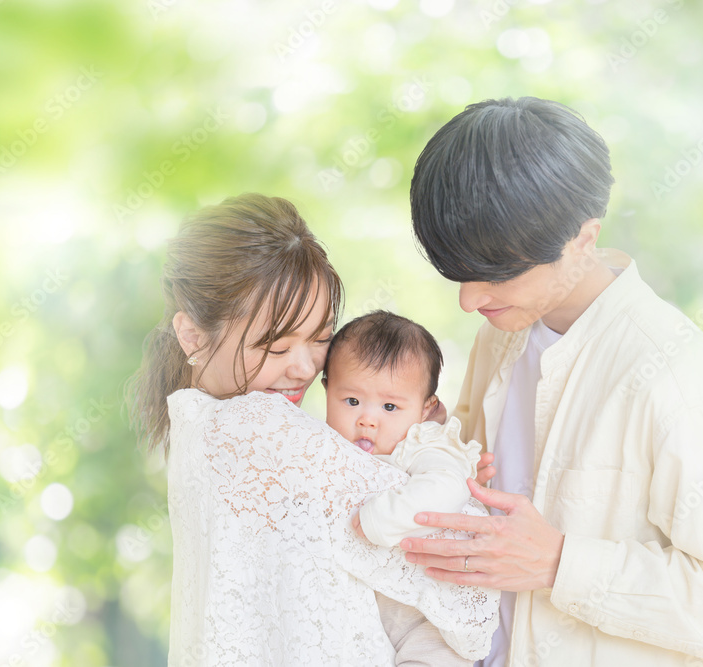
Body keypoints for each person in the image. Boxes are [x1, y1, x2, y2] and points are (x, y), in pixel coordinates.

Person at [400, 97, 703, 665]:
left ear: (583, 239)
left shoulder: (673, 378)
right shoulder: (501, 335)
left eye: (494, 274)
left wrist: (559, 564)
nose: (469, 300)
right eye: (459, 274)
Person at [127, 193, 498, 666]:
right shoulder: (257, 426)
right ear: (193, 336)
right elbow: (464, 548)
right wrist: (448, 477)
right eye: (277, 348)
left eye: (321, 338)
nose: (305, 368)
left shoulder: (195, 427)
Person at [321, 310, 482, 548]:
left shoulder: (422, 445)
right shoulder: (318, 438)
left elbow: (449, 487)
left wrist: (382, 519)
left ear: (425, 410)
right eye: (352, 401)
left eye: (389, 407)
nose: (367, 420)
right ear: (327, 391)